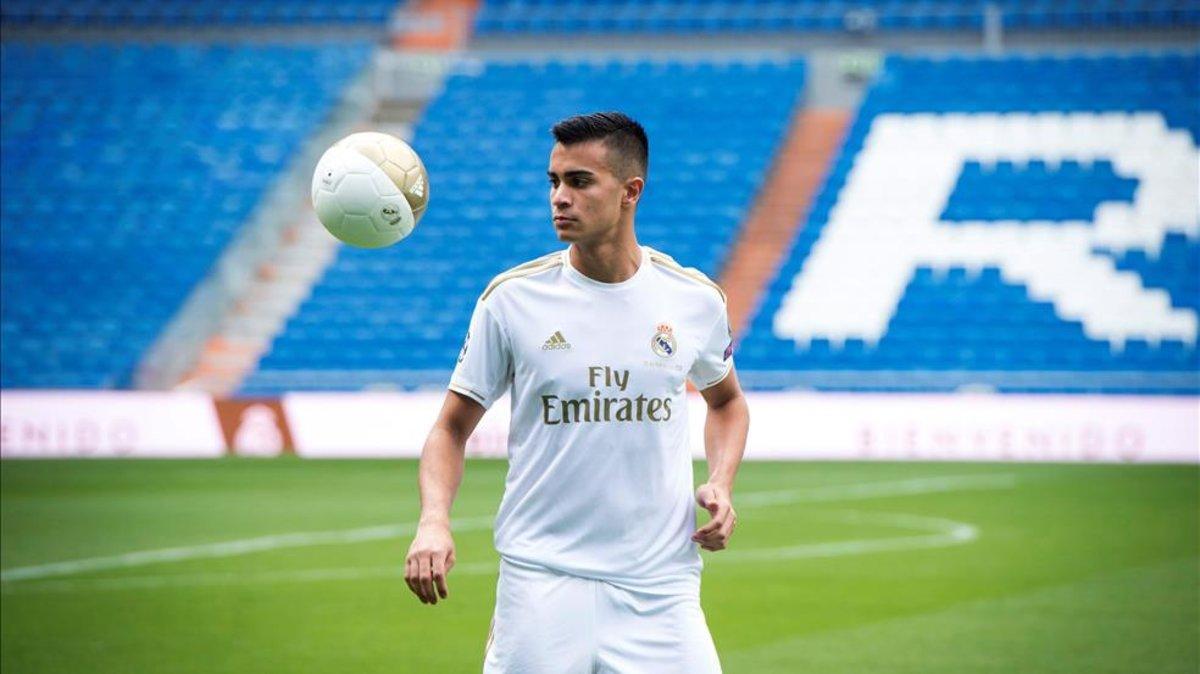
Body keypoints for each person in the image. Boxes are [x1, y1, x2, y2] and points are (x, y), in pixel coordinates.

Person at [404, 111, 750, 673]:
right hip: (542, 584)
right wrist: (433, 519)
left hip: (660, 589)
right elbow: (450, 428)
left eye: (579, 181)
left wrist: (720, 483)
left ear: (630, 191)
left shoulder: (693, 300)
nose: (559, 197)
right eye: (554, 181)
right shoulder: (512, 300)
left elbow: (728, 401)